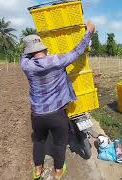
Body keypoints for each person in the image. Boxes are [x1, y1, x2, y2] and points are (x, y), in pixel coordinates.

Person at [20, 21, 95, 180]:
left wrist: (30, 49)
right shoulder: (56, 60)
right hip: (56, 114)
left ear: (29, 51)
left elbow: (25, 55)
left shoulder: (26, 65)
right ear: (44, 48)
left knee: (39, 141)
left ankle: (38, 170)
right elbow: (77, 51)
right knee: (60, 144)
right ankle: (58, 171)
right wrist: (89, 32)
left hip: (38, 114)